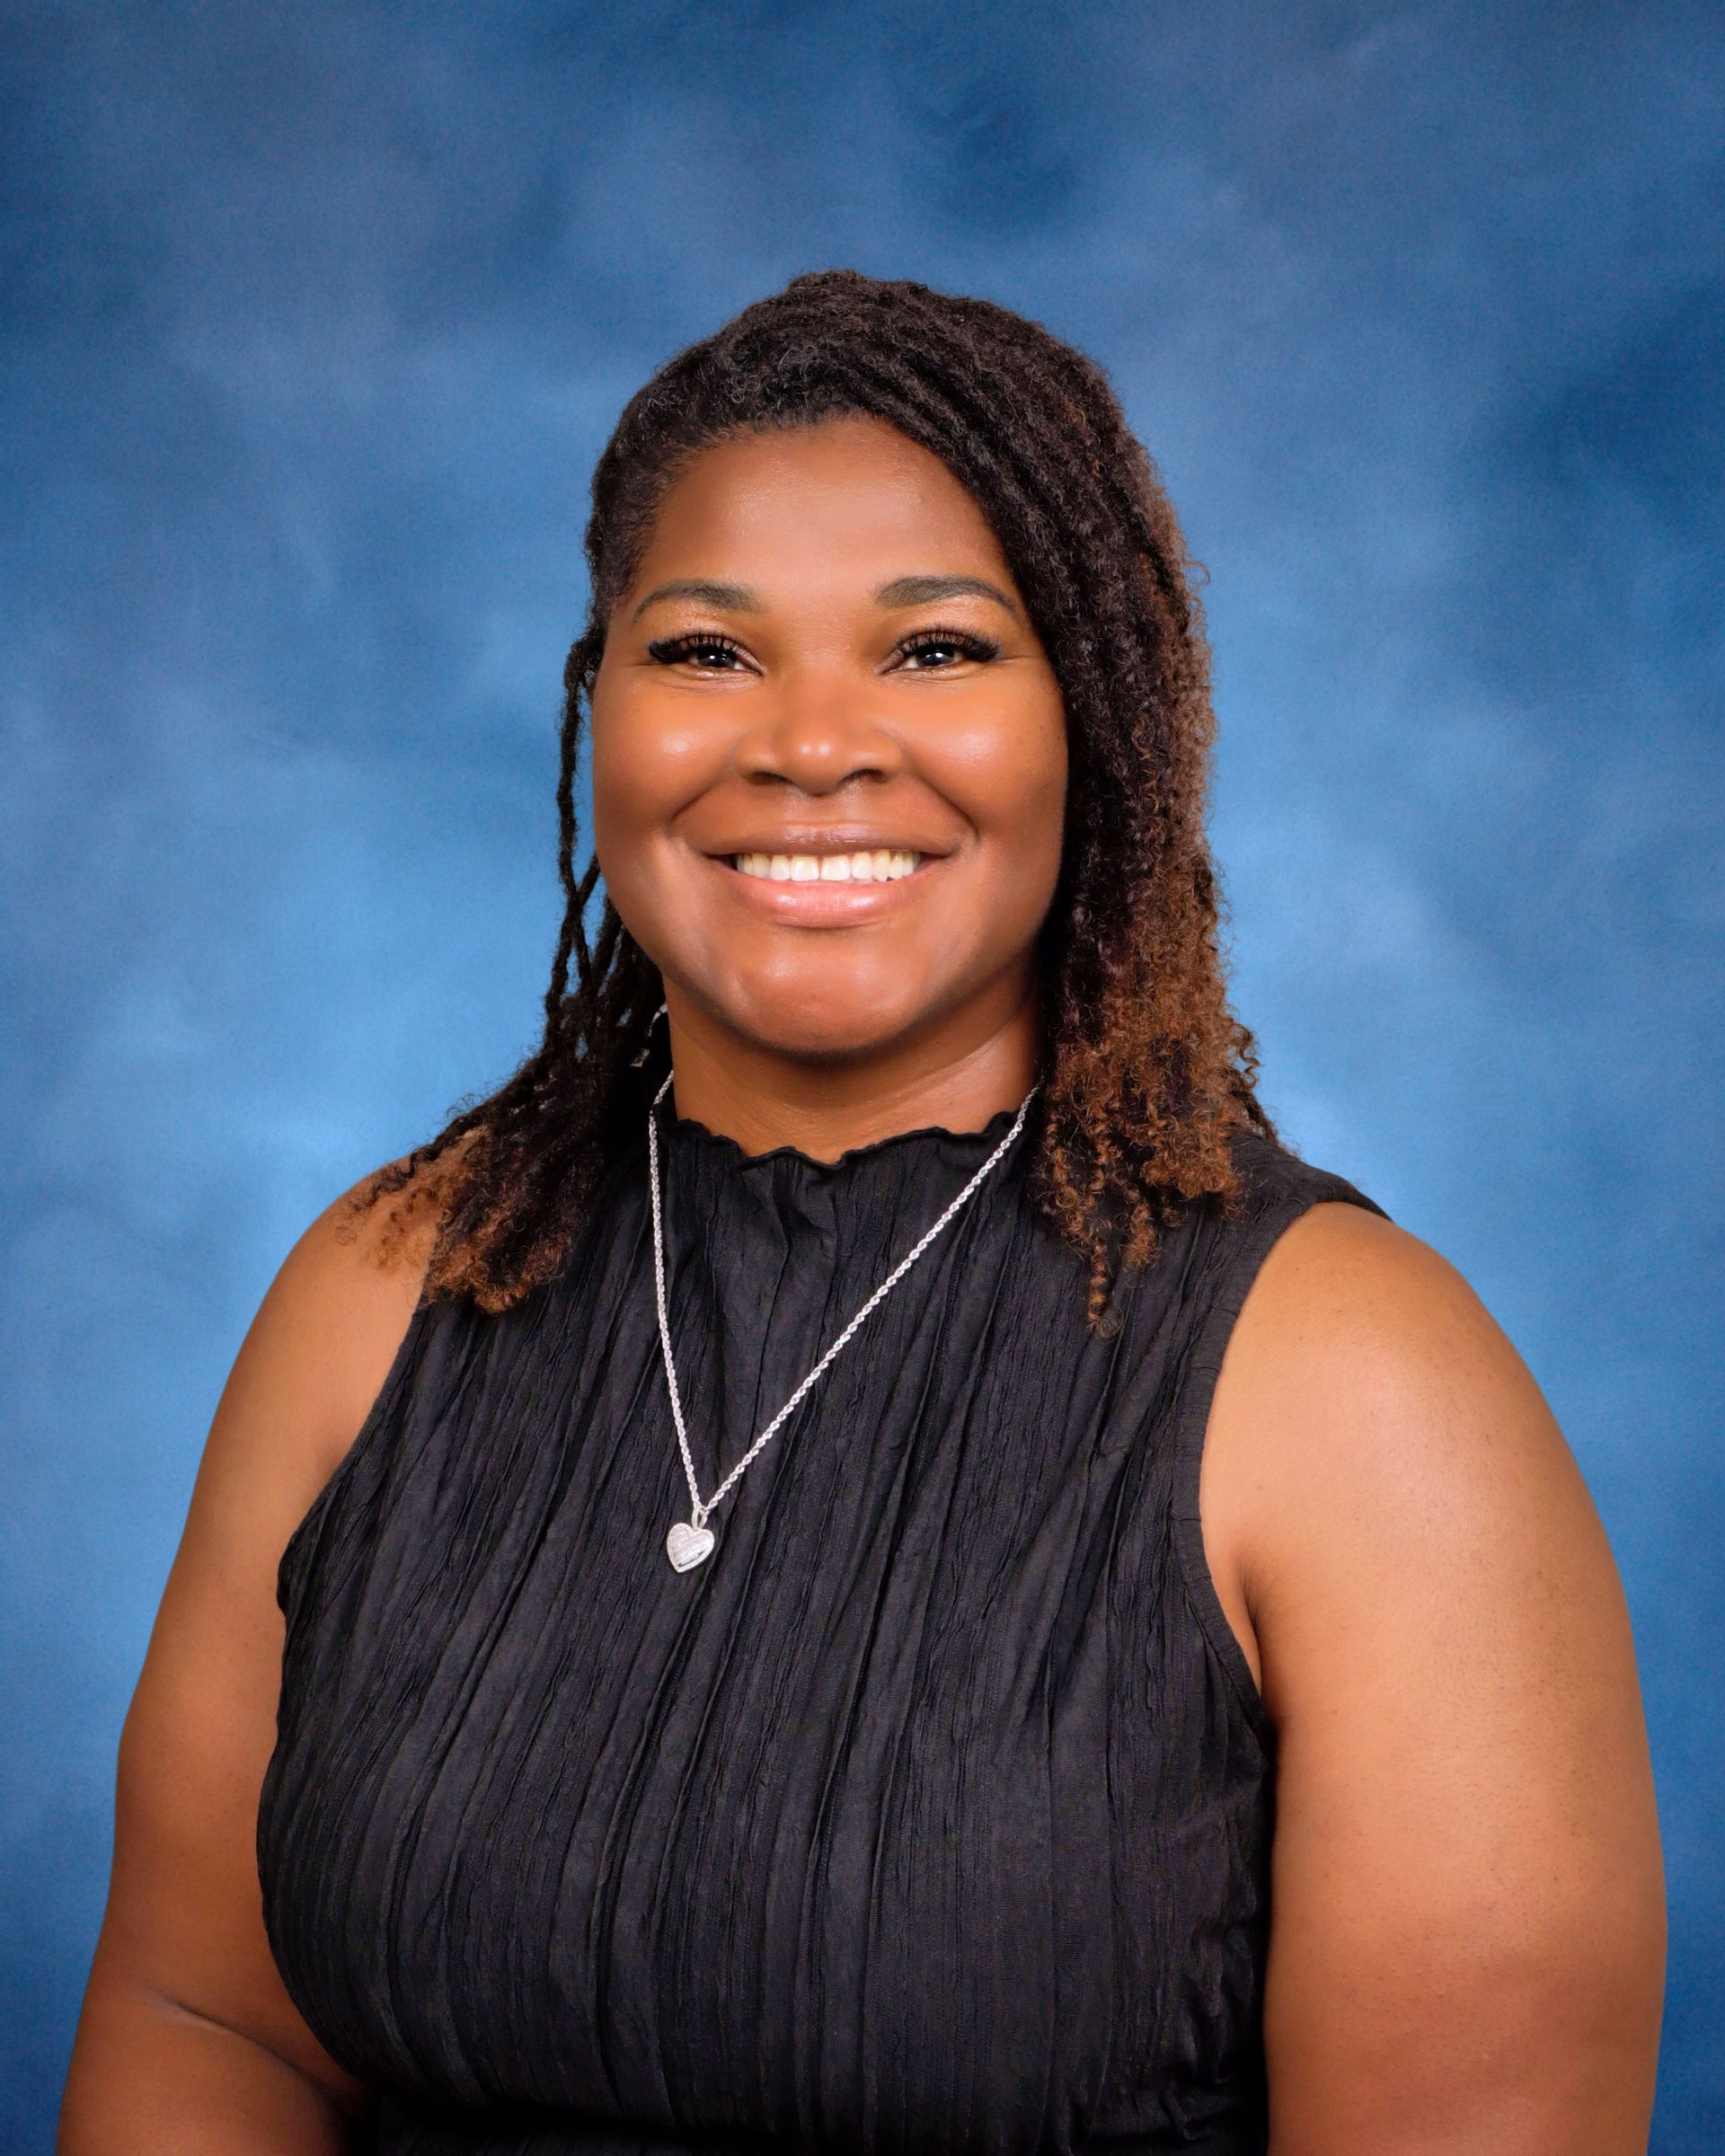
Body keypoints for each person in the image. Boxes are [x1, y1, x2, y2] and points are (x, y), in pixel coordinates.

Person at [59, 270, 1666, 2155]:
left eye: (936, 653)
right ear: (604, 711)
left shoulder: (1359, 1382)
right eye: (709, 653)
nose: (811, 745)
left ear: (1101, 720)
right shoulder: (390, 1283)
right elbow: (201, 2020)